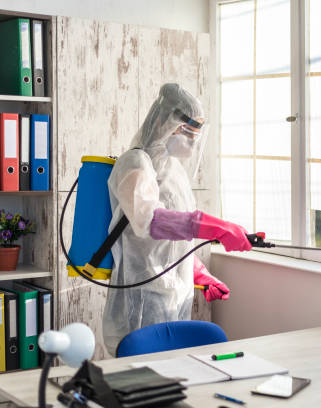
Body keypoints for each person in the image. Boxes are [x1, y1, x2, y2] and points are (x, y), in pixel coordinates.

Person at [102, 83, 252, 356]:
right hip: (143, 292)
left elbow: (173, 242)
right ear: (164, 122)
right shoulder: (134, 163)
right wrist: (213, 227)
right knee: (144, 377)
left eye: (197, 131)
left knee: (175, 370)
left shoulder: (174, 171)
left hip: (176, 292)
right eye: (189, 130)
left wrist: (200, 273)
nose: (193, 140)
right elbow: (149, 222)